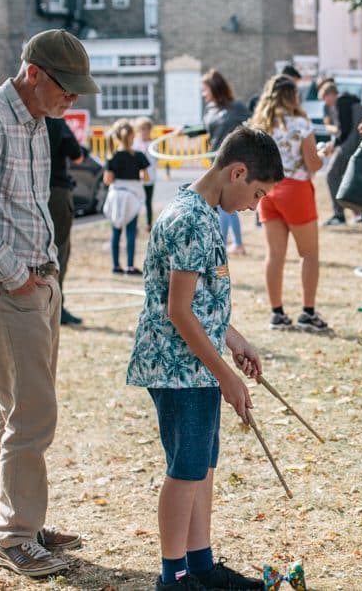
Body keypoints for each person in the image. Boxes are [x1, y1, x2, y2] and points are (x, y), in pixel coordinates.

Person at [0, 29, 98, 578]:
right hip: (8, 284)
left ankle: (15, 519)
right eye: (66, 88)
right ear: (33, 73)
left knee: (17, 407)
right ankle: (15, 533)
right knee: (32, 412)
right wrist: (14, 277)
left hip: (35, 281)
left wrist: (43, 276)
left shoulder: (34, 123)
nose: (73, 100)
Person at [126, 127, 284, 590]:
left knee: (202, 466)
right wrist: (226, 377)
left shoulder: (203, 212)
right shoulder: (191, 219)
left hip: (196, 363)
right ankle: (172, 576)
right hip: (179, 368)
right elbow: (177, 310)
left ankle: (201, 564)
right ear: (236, 172)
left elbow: (198, 303)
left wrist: (234, 340)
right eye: (256, 193)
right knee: (185, 469)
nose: (255, 205)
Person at [252, 74, 329, 333]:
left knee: (274, 255)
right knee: (309, 253)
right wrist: (324, 154)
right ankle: (307, 312)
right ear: (292, 95)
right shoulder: (300, 123)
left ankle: (277, 313)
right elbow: (312, 164)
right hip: (295, 188)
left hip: (268, 190)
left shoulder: (261, 124)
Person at [201, 70, 251, 255]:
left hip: (231, 162)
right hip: (214, 161)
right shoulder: (210, 109)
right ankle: (235, 244)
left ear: (215, 88)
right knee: (224, 204)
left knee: (223, 203)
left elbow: (252, 125)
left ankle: (224, 245)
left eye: (205, 89)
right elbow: (206, 128)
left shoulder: (236, 108)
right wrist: (188, 130)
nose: (203, 93)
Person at [46, 116, 84, 325]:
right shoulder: (56, 122)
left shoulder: (25, 118)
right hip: (56, 193)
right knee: (59, 251)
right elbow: (76, 155)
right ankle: (56, 307)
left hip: (28, 193)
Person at [103, 119, 151, 276]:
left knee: (115, 230)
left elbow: (108, 180)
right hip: (132, 195)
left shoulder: (112, 157)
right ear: (132, 136)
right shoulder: (138, 156)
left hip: (117, 194)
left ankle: (115, 265)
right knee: (131, 231)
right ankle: (130, 266)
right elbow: (146, 177)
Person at [320, 82, 362, 226]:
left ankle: (339, 215)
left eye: (324, 98)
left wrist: (333, 145)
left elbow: (345, 131)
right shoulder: (351, 101)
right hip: (361, 146)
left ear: (330, 94)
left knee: (331, 175)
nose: (325, 103)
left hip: (350, 147)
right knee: (355, 180)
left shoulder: (341, 103)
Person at [133, 116, 158, 231]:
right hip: (137, 178)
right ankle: (135, 224)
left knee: (148, 201)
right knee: (136, 201)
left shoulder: (153, 144)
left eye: (147, 129)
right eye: (142, 129)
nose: (145, 131)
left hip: (150, 177)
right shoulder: (135, 144)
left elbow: (154, 160)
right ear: (138, 130)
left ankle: (148, 224)